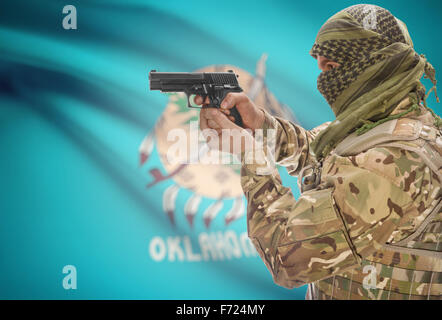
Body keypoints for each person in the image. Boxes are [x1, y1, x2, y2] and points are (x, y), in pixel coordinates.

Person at [196, 4, 441, 300]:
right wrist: (259, 123)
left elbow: (287, 258)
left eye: (332, 68)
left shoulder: (395, 162)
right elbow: (316, 152)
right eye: (321, 68)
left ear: (375, 63)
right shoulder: (377, 126)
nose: (324, 81)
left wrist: (251, 155)